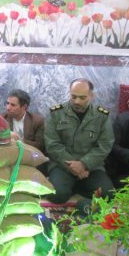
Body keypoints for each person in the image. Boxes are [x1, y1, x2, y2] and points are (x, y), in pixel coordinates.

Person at [44, 79, 114, 212]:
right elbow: (52, 144)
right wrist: (72, 166)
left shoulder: (101, 116)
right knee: (58, 195)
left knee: (108, 195)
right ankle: (71, 186)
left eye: (82, 98)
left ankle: (75, 187)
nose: (77, 101)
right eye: (73, 96)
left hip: (91, 167)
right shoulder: (56, 113)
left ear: (91, 96)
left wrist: (83, 164)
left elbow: (105, 145)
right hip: (62, 165)